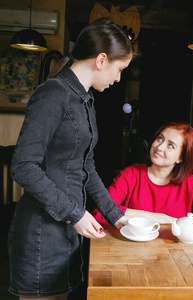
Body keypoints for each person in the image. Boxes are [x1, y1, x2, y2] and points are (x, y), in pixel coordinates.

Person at [9, 18, 132, 299]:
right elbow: (23, 166)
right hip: (42, 231)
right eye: (120, 69)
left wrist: (116, 215)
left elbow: (85, 165)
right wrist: (74, 213)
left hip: (67, 229)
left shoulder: (85, 100)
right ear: (102, 59)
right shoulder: (53, 94)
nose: (118, 79)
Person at [92, 122, 193, 236]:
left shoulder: (189, 182)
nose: (159, 147)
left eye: (170, 145)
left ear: (181, 157)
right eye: (160, 138)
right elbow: (100, 212)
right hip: (133, 249)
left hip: (173, 253)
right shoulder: (131, 174)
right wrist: (154, 217)